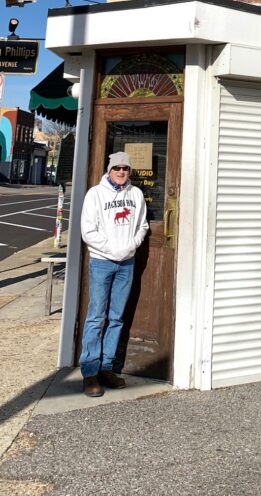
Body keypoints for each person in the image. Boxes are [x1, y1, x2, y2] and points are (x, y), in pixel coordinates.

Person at [79, 151, 148, 397]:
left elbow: (142, 224)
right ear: (109, 169)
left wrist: (133, 245)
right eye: (117, 167)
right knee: (96, 316)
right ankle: (89, 372)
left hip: (126, 263)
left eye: (125, 168)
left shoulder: (136, 194)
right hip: (102, 262)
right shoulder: (95, 195)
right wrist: (113, 250)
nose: (121, 172)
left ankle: (107, 367)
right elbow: (88, 231)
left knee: (117, 316)